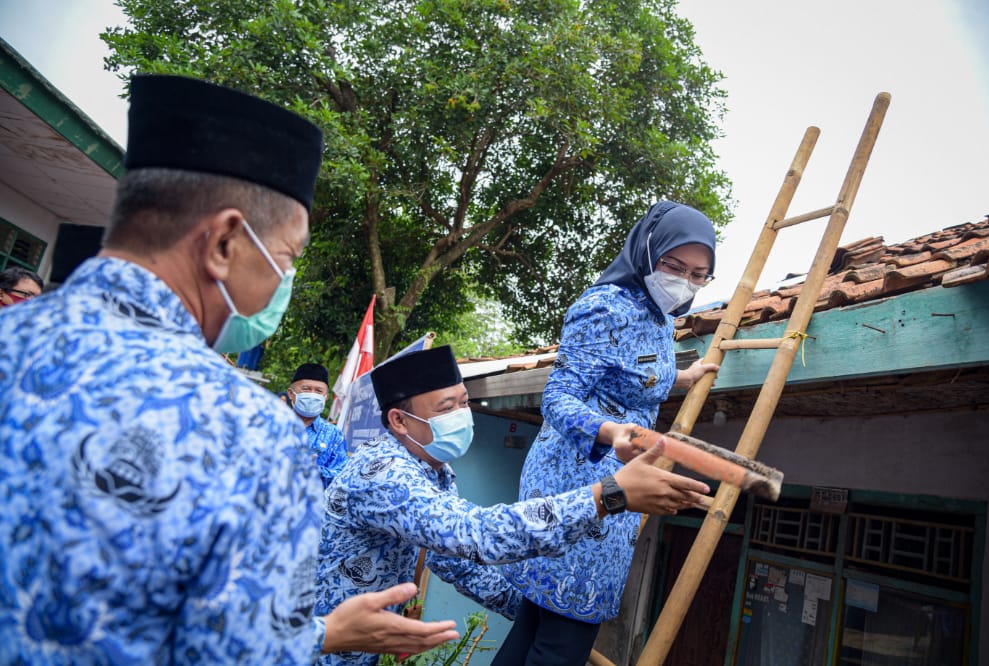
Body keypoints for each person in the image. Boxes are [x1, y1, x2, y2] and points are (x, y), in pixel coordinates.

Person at [0, 74, 457, 664]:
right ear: (223, 243)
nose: (282, 282)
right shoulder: (250, 435)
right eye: (287, 257)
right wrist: (317, 636)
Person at [313, 344, 710, 666]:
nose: (461, 416)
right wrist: (606, 495)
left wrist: (537, 610)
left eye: (464, 402)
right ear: (399, 421)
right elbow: (478, 535)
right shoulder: (383, 475)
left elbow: (453, 560)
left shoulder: (431, 469)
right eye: (445, 408)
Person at [495, 201, 721, 665]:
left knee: (537, 627)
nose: (685, 281)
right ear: (646, 251)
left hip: (620, 479)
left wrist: (685, 376)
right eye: (674, 266)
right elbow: (556, 398)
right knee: (565, 637)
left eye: (699, 274)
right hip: (576, 477)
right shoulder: (603, 307)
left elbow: (634, 375)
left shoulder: (663, 317)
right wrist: (611, 431)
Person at [288, 362, 350, 484]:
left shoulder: (334, 435)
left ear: (326, 396)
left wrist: (315, 470)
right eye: (306, 389)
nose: (312, 394)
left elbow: (342, 476)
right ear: (291, 393)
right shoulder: (274, 424)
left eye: (318, 391)